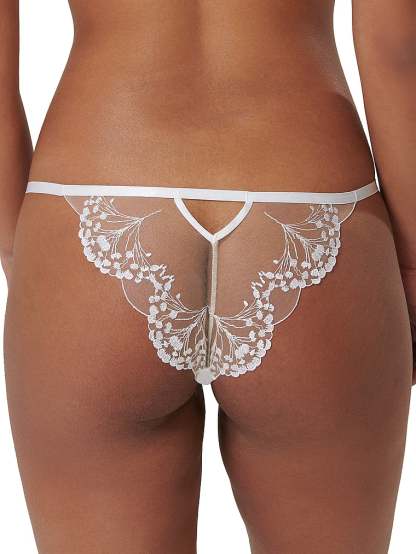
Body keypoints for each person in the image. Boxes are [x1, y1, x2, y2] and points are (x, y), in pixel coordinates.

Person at [1, 1, 415, 553]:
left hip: (95, 185)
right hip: (314, 196)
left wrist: (22, 255)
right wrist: (412, 267)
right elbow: (396, 51)